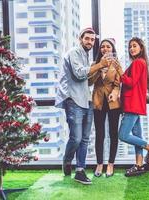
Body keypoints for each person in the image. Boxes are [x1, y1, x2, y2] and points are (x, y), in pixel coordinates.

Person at [55, 27, 109, 185]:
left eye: (92, 40)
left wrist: (99, 71)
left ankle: (80, 170)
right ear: (81, 39)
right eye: (87, 39)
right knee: (76, 138)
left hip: (86, 100)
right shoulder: (74, 52)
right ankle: (67, 160)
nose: (90, 42)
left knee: (85, 139)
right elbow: (79, 74)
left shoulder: (86, 56)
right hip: (73, 100)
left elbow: (87, 81)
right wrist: (99, 66)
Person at [114, 37, 149, 177]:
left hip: (132, 104)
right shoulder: (140, 63)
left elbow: (130, 82)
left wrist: (120, 72)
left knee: (123, 135)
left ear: (141, 48)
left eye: (135, 46)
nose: (132, 48)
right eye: (130, 46)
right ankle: (139, 165)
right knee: (137, 136)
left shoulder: (138, 63)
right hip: (134, 103)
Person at [88, 38, 121, 178]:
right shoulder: (95, 64)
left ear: (112, 49)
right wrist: (99, 66)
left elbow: (119, 82)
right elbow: (89, 81)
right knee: (99, 134)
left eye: (108, 46)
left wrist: (115, 92)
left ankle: (111, 164)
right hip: (98, 101)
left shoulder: (117, 64)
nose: (105, 49)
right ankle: (99, 163)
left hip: (113, 102)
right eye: (103, 47)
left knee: (113, 134)